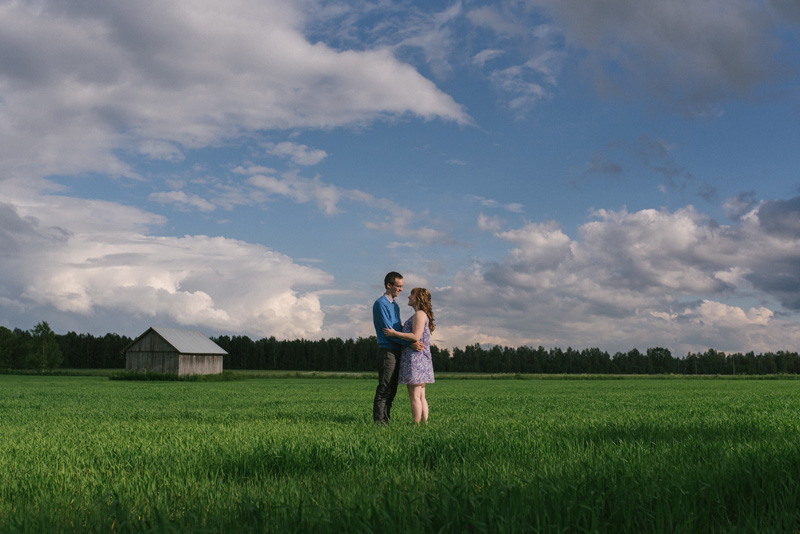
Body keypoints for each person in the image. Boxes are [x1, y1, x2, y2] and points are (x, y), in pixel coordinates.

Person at [372, 272, 423, 425]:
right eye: (398, 286)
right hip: (388, 351)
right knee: (385, 387)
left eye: (402, 286)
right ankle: (379, 423)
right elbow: (389, 333)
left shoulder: (395, 305)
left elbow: (397, 330)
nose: (401, 289)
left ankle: (386, 420)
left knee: (392, 389)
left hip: (397, 350)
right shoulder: (381, 303)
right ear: (389, 285)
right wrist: (410, 343)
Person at [383, 287, 435, 424]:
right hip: (421, 359)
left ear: (419, 298)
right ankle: (424, 424)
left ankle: (416, 426)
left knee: (415, 397)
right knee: (421, 395)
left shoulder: (419, 315)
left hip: (415, 359)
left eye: (412, 294)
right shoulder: (422, 315)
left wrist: (394, 333)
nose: (409, 296)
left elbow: (415, 336)